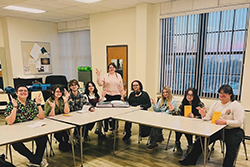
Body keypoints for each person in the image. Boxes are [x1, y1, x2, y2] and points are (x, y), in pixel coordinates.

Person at [179, 85, 245, 167]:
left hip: (233, 130)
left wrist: (225, 122)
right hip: (217, 129)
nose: (221, 95)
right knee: (201, 140)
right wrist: (203, 115)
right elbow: (208, 118)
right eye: (220, 93)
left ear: (230, 94)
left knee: (231, 147)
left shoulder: (235, 105)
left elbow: (239, 122)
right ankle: (190, 160)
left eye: (224, 94)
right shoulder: (216, 104)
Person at [4, 85, 48, 167]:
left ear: (28, 93)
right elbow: (10, 122)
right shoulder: (11, 104)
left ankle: (36, 160)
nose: (23, 92)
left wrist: (38, 104)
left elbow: (41, 116)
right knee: (16, 143)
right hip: (15, 132)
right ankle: (35, 159)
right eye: (21, 90)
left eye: (25, 91)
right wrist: (15, 107)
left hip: (29, 130)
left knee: (43, 137)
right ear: (16, 93)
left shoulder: (30, 103)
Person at [174, 88, 205, 156]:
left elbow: (204, 117)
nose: (189, 96)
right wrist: (172, 110)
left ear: (194, 96)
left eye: (191, 95)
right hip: (185, 124)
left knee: (187, 130)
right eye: (188, 94)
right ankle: (177, 144)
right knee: (178, 129)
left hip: (196, 125)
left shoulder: (199, 104)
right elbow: (178, 113)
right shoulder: (184, 103)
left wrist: (194, 117)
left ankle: (190, 146)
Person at [96, 62, 124, 132]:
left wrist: (122, 96)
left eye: (113, 67)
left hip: (117, 96)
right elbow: (100, 84)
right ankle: (106, 128)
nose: (111, 69)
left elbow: (121, 87)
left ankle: (115, 128)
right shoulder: (105, 76)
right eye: (110, 67)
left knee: (115, 113)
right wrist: (98, 75)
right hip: (107, 96)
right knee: (106, 113)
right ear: (108, 69)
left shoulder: (118, 76)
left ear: (115, 68)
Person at [44, 85, 71, 152]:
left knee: (67, 131)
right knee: (59, 133)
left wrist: (65, 102)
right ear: (53, 92)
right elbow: (50, 116)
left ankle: (65, 143)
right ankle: (62, 143)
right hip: (52, 122)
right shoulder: (49, 101)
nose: (59, 93)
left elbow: (66, 112)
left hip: (62, 120)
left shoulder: (62, 99)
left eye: (60, 92)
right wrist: (53, 108)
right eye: (57, 91)